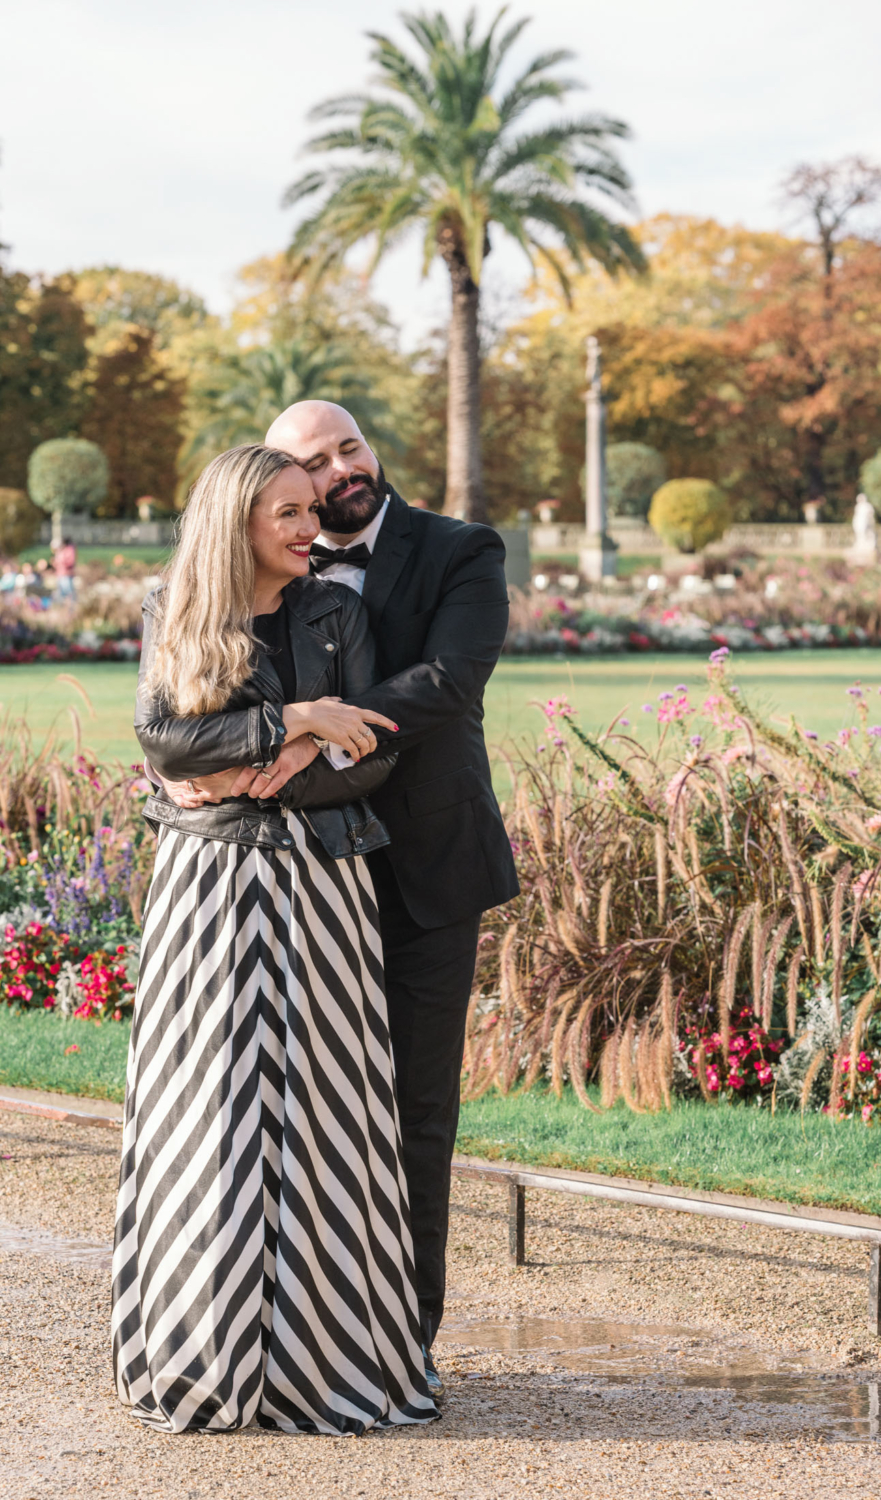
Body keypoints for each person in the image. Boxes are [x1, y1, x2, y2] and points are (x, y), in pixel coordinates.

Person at [160, 402, 519, 1400]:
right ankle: (298, 1340)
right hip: (303, 873)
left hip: (427, 869)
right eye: (313, 463)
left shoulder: (458, 547)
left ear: (372, 450)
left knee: (413, 1115)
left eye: (349, 446)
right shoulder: (273, 565)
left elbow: (448, 682)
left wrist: (306, 735)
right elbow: (182, 713)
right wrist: (236, 750)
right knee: (302, 1116)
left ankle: (404, 1344)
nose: (338, 469)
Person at [112, 443, 437, 1436]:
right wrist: (296, 721)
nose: (310, 527)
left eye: (310, 508)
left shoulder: (336, 612)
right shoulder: (173, 612)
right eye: (286, 513)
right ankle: (197, 1352)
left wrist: (272, 763)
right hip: (207, 894)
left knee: (327, 1117)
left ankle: (323, 1362)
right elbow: (166, 740)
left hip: (321, 885)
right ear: (233, 525)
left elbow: (368, 760)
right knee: (201, 1114)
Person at [53, 536, 77, 601]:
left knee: (68, 593)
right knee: (62, 593)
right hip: (61, 574)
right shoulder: (63, 550)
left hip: (66, 574)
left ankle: (69, 607)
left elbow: (70, 562)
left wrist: (62, 562)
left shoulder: (69, 550)